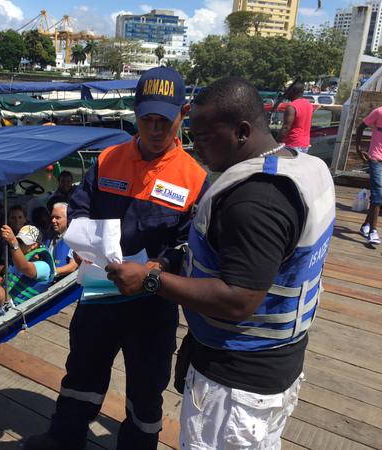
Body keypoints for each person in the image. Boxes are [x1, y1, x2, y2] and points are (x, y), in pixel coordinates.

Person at [105, 77, 336, 450]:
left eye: (205, 138)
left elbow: (237, 300)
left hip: (237, 384)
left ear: (242, 131)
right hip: (277, 363)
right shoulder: (306, 167)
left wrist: (151, 280)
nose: (197, 149)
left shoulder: (255, 201)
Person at [25, 67, 209, 450]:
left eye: (165, 120)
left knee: (146, 387)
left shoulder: (195, 178)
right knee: (82, 371)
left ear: (183, 113)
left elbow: (187, 246)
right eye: (146, 119)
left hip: (153, 302)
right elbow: (78, 209)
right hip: (99, 291)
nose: (155, 129)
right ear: (134, 113)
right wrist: (77, 236)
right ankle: (64, 438)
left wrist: (152, 271)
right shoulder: (108, 160)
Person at [355, 106, 382, 245]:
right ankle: (373, 231)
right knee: (378, 194)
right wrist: (358, 148)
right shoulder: (379, 112)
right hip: (376, 159)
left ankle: (365, 225)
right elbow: (360, 127)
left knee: (378, 195)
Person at [278, 81, 313, 153]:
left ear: (294, 92)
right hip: (305, 144)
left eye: (288, 91)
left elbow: (286, 128)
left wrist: (275, 142)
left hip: (292, 144)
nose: (287, 93)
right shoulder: (309, 104)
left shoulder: (291, 107)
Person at [45, 203, 78, 279]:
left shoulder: (75, 239)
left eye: (57, 217)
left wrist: (52, 272)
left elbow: (73, 266)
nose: (53, 220)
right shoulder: (48, 238)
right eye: (52, 217)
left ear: (68, 218)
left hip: (65, 286)